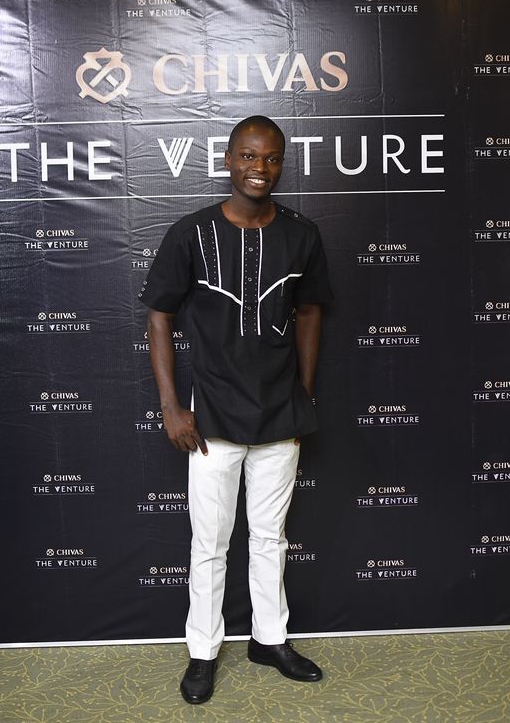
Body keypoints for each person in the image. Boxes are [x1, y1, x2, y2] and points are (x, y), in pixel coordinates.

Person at [140, 115, 332, 704]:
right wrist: (171, 406)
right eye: (248, 156)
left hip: (280, 413)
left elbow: (310, 313)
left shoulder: (301, 235)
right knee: (211, 542)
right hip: (212, 418)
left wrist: (302, 393)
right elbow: (159, 316)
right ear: (228, 160)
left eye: (270, 158)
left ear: (281, 165)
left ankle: (269, 640)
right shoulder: (191, 233)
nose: (259, 168)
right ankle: (203, 651)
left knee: (271, 537)